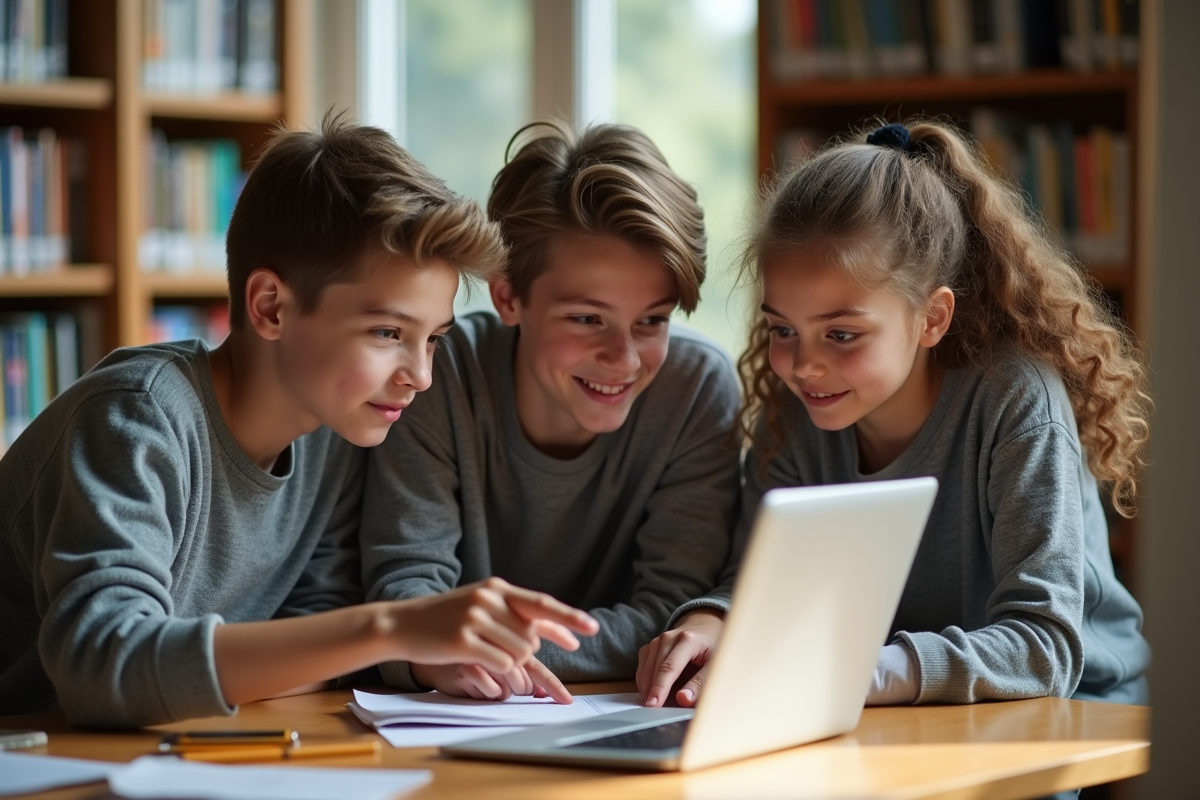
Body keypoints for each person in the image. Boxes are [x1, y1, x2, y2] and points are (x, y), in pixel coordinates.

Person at [0, 114, 597, 727]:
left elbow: (317, 630)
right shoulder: (135, 417)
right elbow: (102, 667)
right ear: (271, 307)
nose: (419, 375)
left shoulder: (332, 433)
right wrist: (394, 627)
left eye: (434, 339)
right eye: (388, 332)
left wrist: (420, 659)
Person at [637, 120, 1151, 714]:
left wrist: (861, 671)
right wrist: (712, 622)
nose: (803, 365)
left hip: (1069, 708)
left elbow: (1046, 649)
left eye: (842, 333)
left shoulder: (1015, 402)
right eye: (782, 329)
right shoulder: (799, 413)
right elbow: (761, 585)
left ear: (932, 318)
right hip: (893, 696)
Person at [360, 121, 740, 704]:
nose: (625, 359)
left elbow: (674, 616)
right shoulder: (439, 373)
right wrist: (427, 646)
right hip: (463, 717)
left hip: (622, 712)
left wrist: (475, 646)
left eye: (653, 320)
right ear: (508, 296)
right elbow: (405, 597)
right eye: (587, 319)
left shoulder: (695, 391)